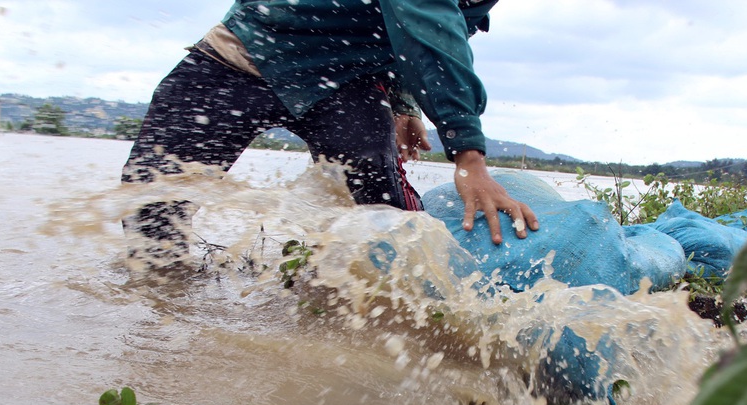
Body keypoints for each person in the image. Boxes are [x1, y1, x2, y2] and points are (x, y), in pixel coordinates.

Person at [121, 0, 539, 268]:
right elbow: (425, 19)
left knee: (388, 223)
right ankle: (160, 329)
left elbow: (431, 32)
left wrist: (403, 104)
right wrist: (469, 157)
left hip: (346, 82)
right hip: (246, 54)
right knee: (153, 209)